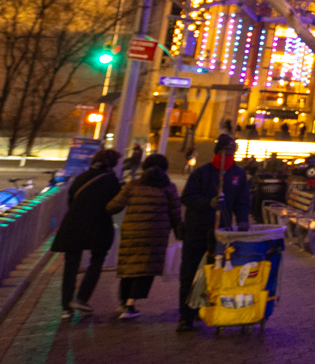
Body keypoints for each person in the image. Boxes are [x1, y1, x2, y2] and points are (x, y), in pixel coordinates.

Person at [178, 133, 251, 333]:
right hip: (198, 229)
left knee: (217, 273)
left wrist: (243, 219)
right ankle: (186, 316)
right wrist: (207, 203)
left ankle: (209, 308)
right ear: (218, 151)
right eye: (225, 151)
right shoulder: (202, 173)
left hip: (222, 233)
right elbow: (187, 197)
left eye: (232, 151)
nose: (229, 154)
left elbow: (242, 200)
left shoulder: (238, 174)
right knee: (190, 272)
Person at [107, 154, 182, 319]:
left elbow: (114, 206)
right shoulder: (168, 187)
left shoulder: (133, 185)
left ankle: (123, 302)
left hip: (132, 231)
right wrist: (179, 232)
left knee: (129, 266)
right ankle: (130, 305)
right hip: (156, 234)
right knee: (146, 268)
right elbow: (175, 213)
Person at [51, 148, 121, 315]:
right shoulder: (112, 181)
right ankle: (82, 299)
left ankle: (66, 307)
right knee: (96, 262)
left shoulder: (81, 178)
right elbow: (113, 207)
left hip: (73, 225)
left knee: (71, 266)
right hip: (99, 226)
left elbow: (71, 199)